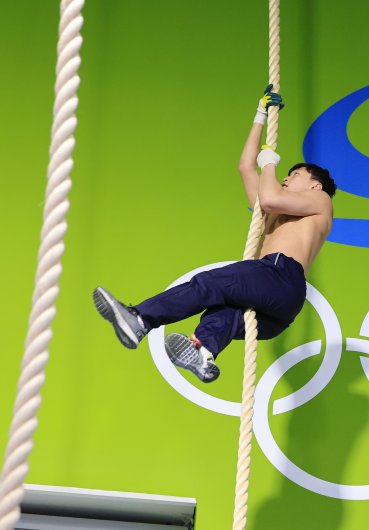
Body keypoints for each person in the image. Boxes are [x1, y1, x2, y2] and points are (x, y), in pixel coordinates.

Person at [93, 86, 336, 383]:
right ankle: (203, 353)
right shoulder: (274, 212)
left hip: (280, 276)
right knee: (223, 311)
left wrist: (270, 163)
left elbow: (271, 196)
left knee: (209, 283)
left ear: (314, 185)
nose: (286, 177)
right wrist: (259, 116)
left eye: (295, 175)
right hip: (274, 306)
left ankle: (141, 319)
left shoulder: (320, 201)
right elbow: (246, 167)